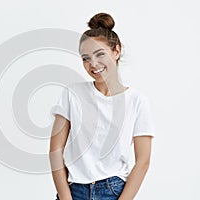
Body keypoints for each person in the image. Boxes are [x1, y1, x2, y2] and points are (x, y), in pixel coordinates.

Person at [49, 12, 155, 200]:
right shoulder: (72, 94)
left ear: (116, 51)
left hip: (113, 190)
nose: (93, 64)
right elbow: (55, 150)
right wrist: (66, 197)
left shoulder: (137, 101)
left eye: (100, 54)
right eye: (85, 58)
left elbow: (143, 161)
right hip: (74, 190)